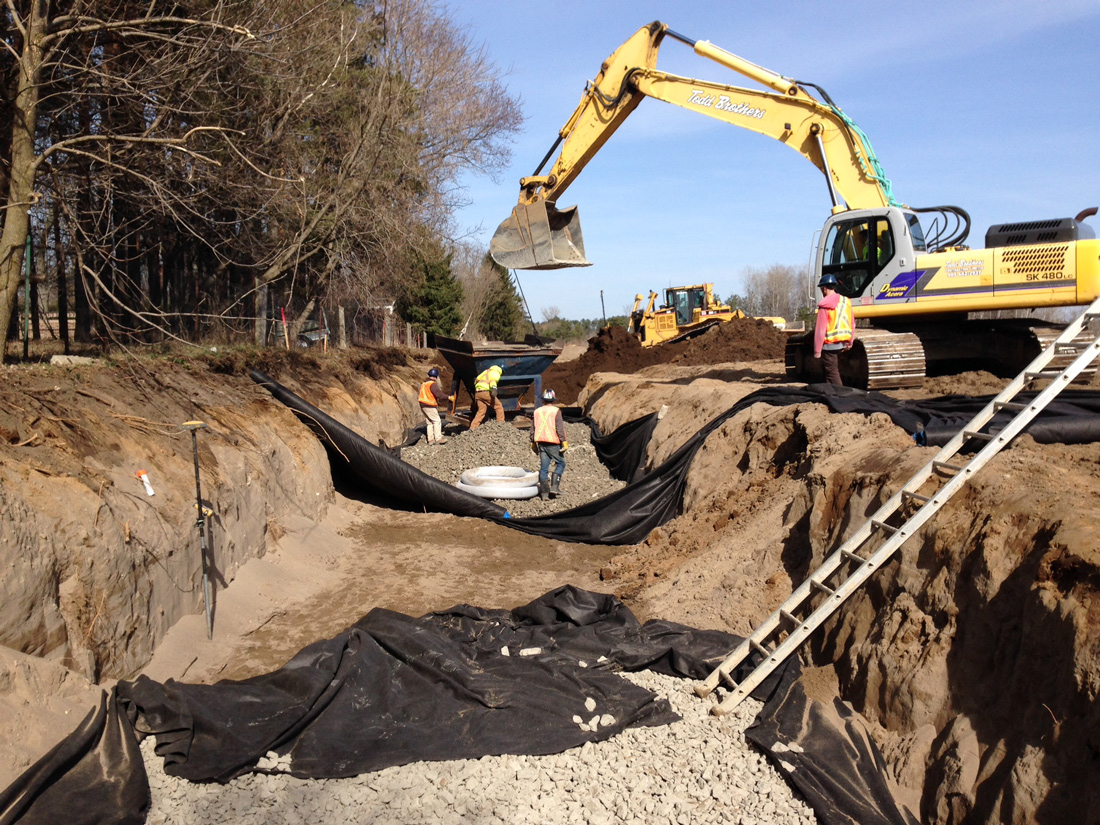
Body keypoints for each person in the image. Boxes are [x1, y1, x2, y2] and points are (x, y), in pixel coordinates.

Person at [813, 273, 855, 386]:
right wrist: (850, 341)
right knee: (830, 370)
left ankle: (840, 396)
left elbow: (820, 329)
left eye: (822, 289)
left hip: (830, 344)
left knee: (832, 372)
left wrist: (817, 351)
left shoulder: (825, 305)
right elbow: (852, 323)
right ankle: (831, 393)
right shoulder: (846, 301)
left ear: (824, 288)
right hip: (842, 342)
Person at [531, 389, 567, 500]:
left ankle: (544, 494)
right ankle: (554, 487)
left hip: (541, 443)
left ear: (543, 400)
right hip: (553, 443)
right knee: (561, 463)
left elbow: (533, 428)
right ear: (553, 399)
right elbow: (560, 429)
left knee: (544, 469)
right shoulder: (556, 411)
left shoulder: (537, 411)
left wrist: (532, 443)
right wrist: (564, 442)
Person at [418, 367, 454, 445]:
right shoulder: (432, 384)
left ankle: (430, 440)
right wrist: (448, 397)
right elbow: (439, 394)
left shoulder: (424, 384)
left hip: (422, 405)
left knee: (430, 422)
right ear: (436, 377)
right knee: (437, 420)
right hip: (429, 405)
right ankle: (438, 438)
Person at [470, 364, 504, 428]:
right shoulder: (496, 372)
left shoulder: (486, 371)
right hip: (485, 392)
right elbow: (493, 380)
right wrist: (494, 388)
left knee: (481, 411)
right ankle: (501, 424)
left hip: (478, 393)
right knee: (498, 406)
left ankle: (473, 427)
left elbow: (477, 379)